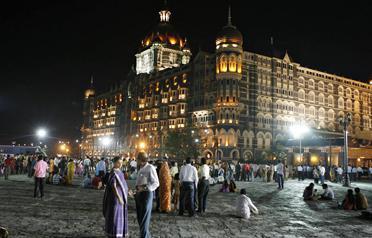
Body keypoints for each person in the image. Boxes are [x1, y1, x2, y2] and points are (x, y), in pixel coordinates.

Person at [103, 156, 129, 238]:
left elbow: (123, 184)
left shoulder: (119, 171)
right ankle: (113, 233)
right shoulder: (113, 172)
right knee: (114, 216)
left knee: (119, 215)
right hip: (115, 198)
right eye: (118, 163)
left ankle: (120, 232)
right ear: (114, 163)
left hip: (120, 196)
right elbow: (113, 186)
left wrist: (128, 192)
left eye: (121, 163)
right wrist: (119, 197)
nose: (120, 164)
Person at [135, 152, 159, 238]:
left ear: (142, 160)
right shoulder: (140, 168)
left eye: (137, 159)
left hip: (146, 195)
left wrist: (144, 188)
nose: (136, 160)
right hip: (138, 195)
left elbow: (156, 183)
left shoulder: (150, 168)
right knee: (140, 218)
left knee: (144, 219)